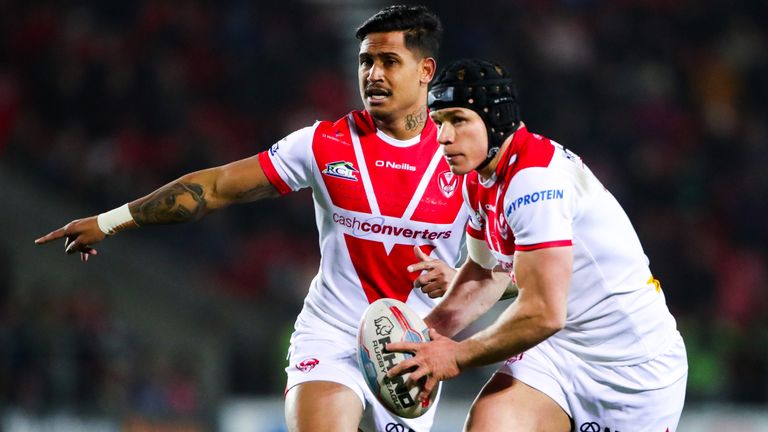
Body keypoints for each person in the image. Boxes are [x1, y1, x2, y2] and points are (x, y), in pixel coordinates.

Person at [35, 6, 469, 432]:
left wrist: (459, 278)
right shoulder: (321, 145)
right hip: (332, 334)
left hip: (414, 353)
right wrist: (111, 221)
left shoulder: (467, 157)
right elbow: (216, 186)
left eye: (389, 61)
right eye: (365, 61)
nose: (373, 74)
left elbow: (522, 271)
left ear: (426, 69)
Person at [387, 59, 688, 432]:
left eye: (458, 119)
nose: (444, 136)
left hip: (634, 371)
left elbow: (544, 312)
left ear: (497, 119)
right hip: (559, 353)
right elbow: (485, 274)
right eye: (438, 123)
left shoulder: (534, 182)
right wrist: (423, 338)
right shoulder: (481, 179)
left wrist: (457, 356)